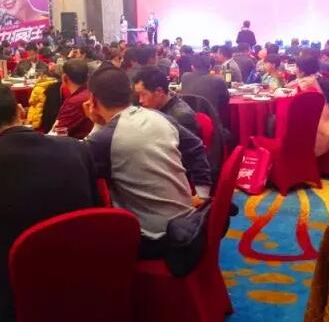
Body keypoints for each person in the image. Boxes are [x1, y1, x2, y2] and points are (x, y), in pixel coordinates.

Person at [0, 83, 98, 322]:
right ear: (20, 111)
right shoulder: (76, 149)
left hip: (16, 288)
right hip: (83, 273)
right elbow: (95, 208)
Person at [85, 67, 212, 258]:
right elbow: (196, 146)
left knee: (88, 235)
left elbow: (81, 167)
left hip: (156, 239)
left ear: (93, 100)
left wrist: (96, 123)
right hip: (189, 221)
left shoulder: (103, 139)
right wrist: (203, 194)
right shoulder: (161, 117)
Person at [286, 56, 329, 156]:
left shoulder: (306, 83)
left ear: (302, 70)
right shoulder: (318, 77)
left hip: (318, 134)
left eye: (296, 66)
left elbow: (291, 99)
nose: (295, 69)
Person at [133, 66, 200, 136]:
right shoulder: (155, 109)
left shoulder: (182, 117)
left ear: (159, 91)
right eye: (138, 95)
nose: (140, 100)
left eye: (144, 95)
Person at [181, 53, 230, 128]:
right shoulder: (217, 80)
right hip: (212, 122)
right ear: (210, 67)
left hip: (187, 122)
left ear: (192, 67)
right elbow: (225, 100)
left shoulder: (184, 77)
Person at [54, 59, 93, 139]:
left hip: (76, 144)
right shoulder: (91, 92)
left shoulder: (75, 102)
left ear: (64, 77)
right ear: (87, 76)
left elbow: (58, 131)